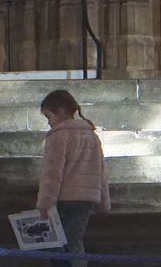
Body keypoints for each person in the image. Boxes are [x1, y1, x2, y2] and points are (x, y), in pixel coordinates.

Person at [35, 89, 110, 267]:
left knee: (55, 243)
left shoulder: (58, 137)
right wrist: (103, 201)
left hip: (64, 198)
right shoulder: (92, 136)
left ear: (60, 111)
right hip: (85, 200)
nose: (49, 123)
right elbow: (100, 171)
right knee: (75, 241)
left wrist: (45, 203)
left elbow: (52, 173)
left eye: (49, 117)